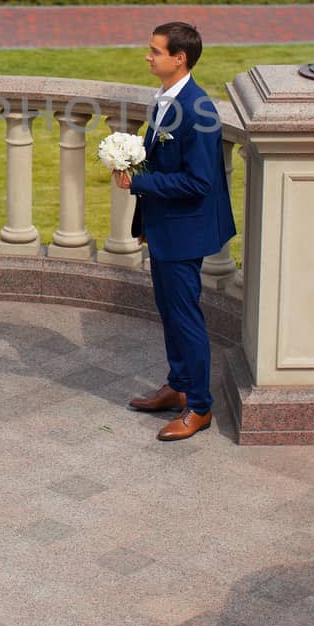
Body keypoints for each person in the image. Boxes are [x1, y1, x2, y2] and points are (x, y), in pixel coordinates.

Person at [113, 22, 235, 442]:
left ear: (179, 58)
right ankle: (179, 385)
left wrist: (138, 182)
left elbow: (200, 181)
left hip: (186, 232)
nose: (147, 56)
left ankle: (199, 407)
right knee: (170, 312)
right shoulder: (166, 99)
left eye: (154, 51)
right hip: (166, 227)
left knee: (185, 318)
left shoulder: (198, 110)